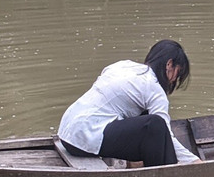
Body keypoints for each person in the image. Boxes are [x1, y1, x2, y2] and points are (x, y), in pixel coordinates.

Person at [57, 40, 201, 167]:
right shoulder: (154, 89)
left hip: (66, 133)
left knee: (143, 114)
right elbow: (166, 135)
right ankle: (163, 175)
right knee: (156, 124)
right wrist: (194, 162)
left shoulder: (122, 65)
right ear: (169, 65)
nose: (174, 80)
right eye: (178, 73)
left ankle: (134, 163)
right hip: (83, 139)